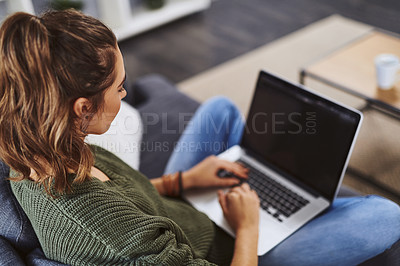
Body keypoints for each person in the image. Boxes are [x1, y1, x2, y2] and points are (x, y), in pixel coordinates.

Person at [0, 9, 398, 266]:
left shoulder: (42, 146)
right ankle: (281, 200)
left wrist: (184, 181)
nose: (125, 94)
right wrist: (248, 227)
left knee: (220, 108)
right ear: (82, 108)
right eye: (120, 88)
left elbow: (125, 200)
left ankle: (268, 179)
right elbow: (115, 220)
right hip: (229, 250)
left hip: (181, 208)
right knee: (386, 217)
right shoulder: (108, 238)